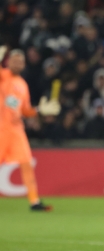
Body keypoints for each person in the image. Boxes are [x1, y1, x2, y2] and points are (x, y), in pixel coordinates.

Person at [0, 48, 59, 211]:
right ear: (8, 62)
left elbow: (25, 110)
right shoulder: (3, 75)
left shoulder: (22, 85)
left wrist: (40, 110)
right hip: (1, 128)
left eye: (20, 62)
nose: (17, 64)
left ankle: (34, 201)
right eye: (14, 61)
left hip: (16, 129)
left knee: (26, 162)